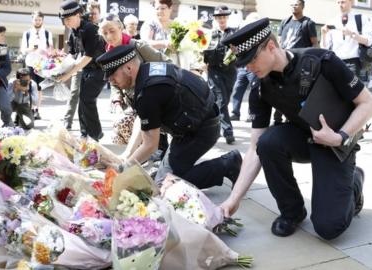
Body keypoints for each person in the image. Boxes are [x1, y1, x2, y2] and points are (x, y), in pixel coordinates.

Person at [220, 18, 372, 240]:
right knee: (267, 143)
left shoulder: (322, 61)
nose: (248, 68)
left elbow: (367, 103)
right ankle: (292, 211)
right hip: (302, 137)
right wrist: (233, 200)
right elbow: (254, 147)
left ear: (271, 47)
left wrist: (340, 137)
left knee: (328, 228)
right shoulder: (261, 87)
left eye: (251, 59)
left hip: (335, 142)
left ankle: (355, 182)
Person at [97, 44, 243, 190]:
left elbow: (150, 145)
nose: (110, 80)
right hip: (199, 121)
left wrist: (123, 168)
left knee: (165, 185)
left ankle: (227, 164)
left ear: (128, 68)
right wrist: (127, 156)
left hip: (200, 131)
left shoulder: (148, 92)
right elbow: (142, 120)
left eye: (113, 75)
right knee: (163, 176)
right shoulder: (148, 70)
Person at [98, 13, 171, 160]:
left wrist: (151, 83)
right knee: (126, 126)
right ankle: (140, 158)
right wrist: (117, 100)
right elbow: (113, 81)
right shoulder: (108, 53)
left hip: (153, 99)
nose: (109, 36)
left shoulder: (138, 46)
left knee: (154, 138)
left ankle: (157, 158)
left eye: (112, 30)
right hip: (135, 101)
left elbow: (167, 64)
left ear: (121, 28)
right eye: (105, 33)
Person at [57, 0, 107, 140]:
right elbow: (72, 55)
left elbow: (88, 56)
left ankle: (95, 134)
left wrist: (68, 74)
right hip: (86, 70)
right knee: (82, 100)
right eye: (64, 20)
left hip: (100, 69)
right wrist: (58, 66)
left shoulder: (91, 29)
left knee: (87, 98)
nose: (66, 23)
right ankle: (84, 133)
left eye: (68, 19)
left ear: (78, 15)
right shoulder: (73, 32)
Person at [204, 6, 237, 144]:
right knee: (221, 100)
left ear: (227, 18)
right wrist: (203, 64)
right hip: (214, 70)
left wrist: (237, 50)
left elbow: (241, 49)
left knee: (224, 101)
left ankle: (211, 123)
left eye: (224, 17)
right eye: (219, 17)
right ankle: (228, 131)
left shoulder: (234, 32)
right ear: (215, 19)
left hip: (230, 71)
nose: (221, 20)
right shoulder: (209, 33)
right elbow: (202, 50)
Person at [321, 0, 372, 81]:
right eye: (338, 2)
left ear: (351, 2)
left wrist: (352, 34)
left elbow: (368, 41)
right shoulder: (331, 21)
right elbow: (325, 48)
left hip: (354, 63)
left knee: (354, 93)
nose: (340, 5)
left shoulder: (361, 18)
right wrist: (323, 34)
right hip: (336, 62)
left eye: (343, 2)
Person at [20, 11, 54, 120]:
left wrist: (48, 52)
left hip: (42, 65)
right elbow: (23, 49)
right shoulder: (27, 33)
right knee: (30, 87)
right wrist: (31, 49)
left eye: (39, 19)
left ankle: (36, 110)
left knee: (39, 88)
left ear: (42, 20)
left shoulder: (48, 33)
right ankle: (30, 108)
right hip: (30, 63)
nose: (37, 21)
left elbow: (51, 49)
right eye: (35, 19)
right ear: (32, 20)